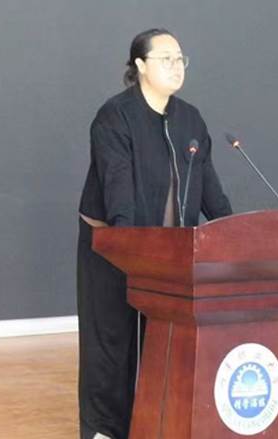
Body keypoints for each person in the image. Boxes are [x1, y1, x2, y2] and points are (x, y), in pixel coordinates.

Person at [76, 28, 233, 439]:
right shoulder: (115, 116)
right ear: (141, 66)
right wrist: (131, 249)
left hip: (170, 254)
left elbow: (210, 190)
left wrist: (234, 234)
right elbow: (118, 189)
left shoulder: (190, 119)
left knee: (163, 340)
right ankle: (104, 431)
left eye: (180, 59)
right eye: (166, 59)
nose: (176, 67)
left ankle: (156, 422)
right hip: (113, 247)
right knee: (112, 342)